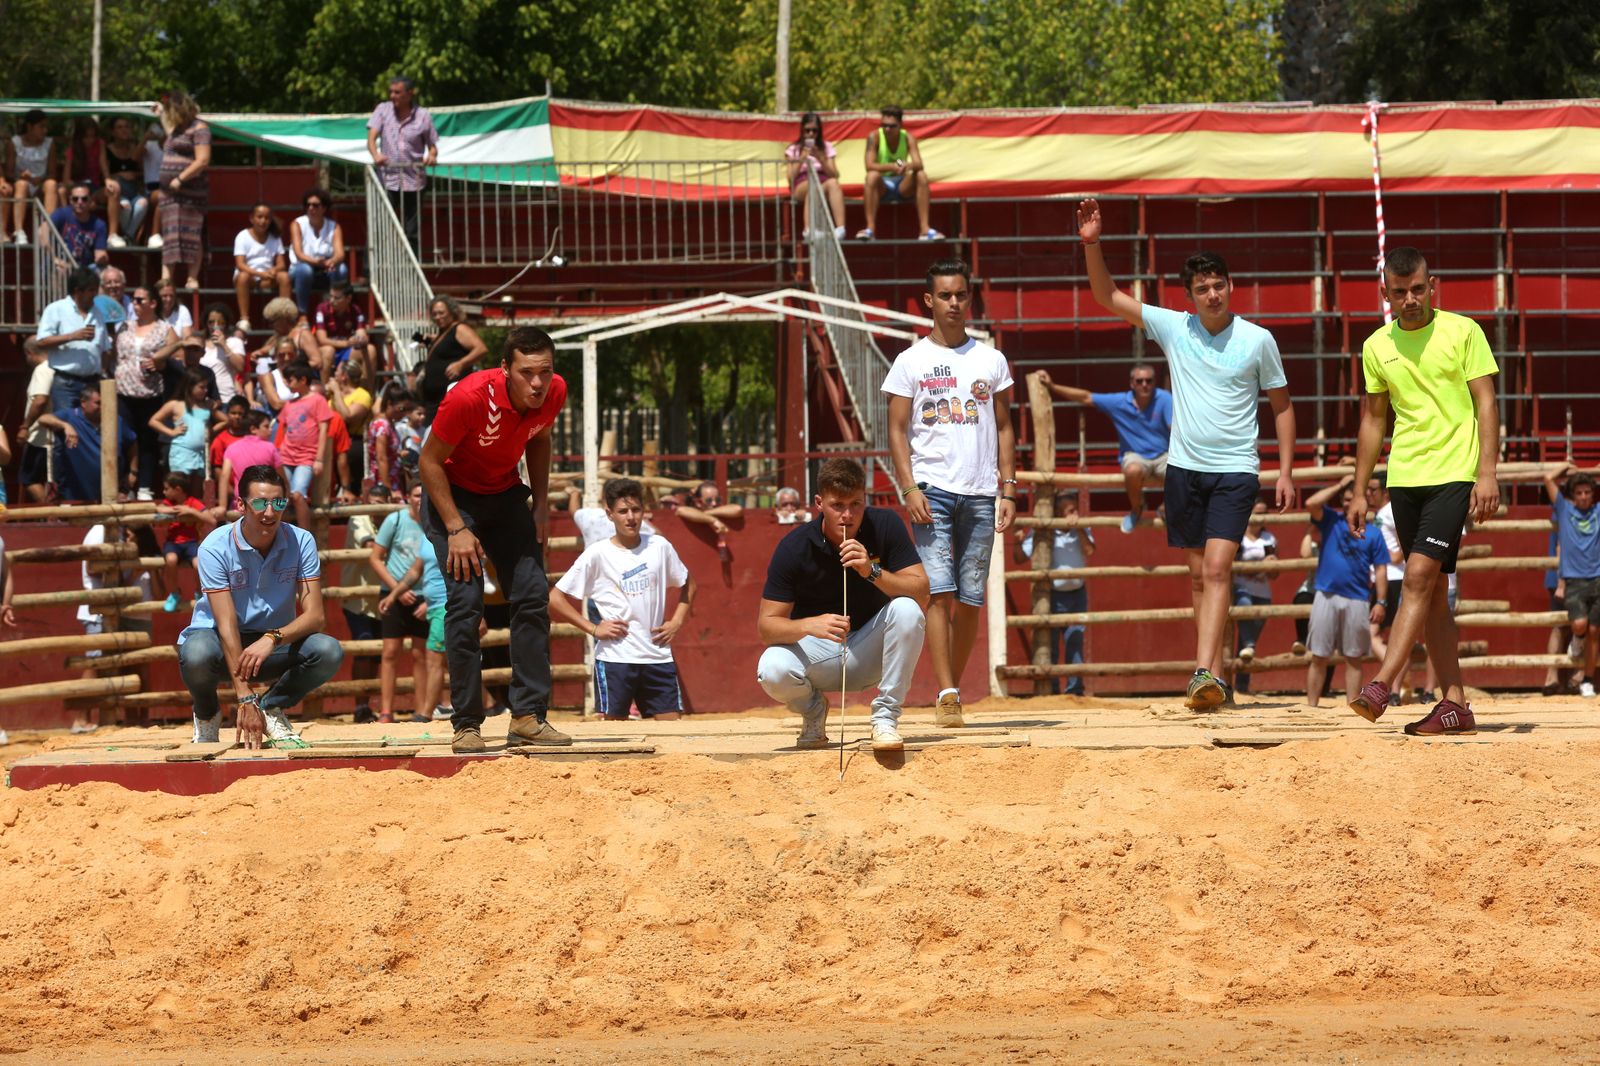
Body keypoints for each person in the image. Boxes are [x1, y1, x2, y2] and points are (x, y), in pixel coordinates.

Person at [1076, 197, 1296, 711]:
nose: (1213, 293)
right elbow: (1106, 294)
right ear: (1191, 296)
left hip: (1237, 469)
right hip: (1184, 469)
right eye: (1202, 288)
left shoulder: (1259, 340)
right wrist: (1092, 244)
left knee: (1219, 569)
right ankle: (1215, 680)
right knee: (1199, 577)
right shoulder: (1175, 327)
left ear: (1230, 286)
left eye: (1219, 284)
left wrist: (1284, 472)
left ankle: (1200, 672)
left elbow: (1283, 407)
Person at [1347, 247, 1500, 735]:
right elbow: (1373, 420)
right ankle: (1454, 705)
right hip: (1404, 475)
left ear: (1433, 285)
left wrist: (1488, 471)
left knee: (1415, 577)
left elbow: (1486, 402)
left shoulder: (1463, 330)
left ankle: (1383, 685)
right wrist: (1358, 489)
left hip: (1455, 472)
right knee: (1432, 592)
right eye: (1399, 292)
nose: (1410, 299)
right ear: (1384, 293)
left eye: (1418, 288)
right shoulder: (1376, 346)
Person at [418, 325, 571, 752]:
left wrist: (540, 504)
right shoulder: (468, 396)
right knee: (466, 605)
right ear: (505, 368)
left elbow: (540, 440)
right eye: (526, 372)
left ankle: (527, 716)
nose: (537, 382)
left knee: (532, 594)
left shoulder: (555, 391)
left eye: (545, 370)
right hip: (452, 495)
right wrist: (455, 527)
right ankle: (467, 723)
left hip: (504, 492)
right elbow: (428, 462)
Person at [883, 258, 1016, 727]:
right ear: (929, 301)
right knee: (939, 593)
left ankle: (951, 687)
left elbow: (1003, 426)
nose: (954, 303)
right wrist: (907, 486)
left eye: (961, 294)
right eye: (945, 295)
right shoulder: (910, 361)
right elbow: (896, 430)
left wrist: (1009, 488)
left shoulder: (990, 359)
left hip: (982, 491)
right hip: (932, 490)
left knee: (972, 598)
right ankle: (947, 690)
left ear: (969, 298)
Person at [757, 457, 929, 750]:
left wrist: (871, 571)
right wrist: (810, 625)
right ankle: (813, 710)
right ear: (819, 503)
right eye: (838, 505)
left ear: (865, 501)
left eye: (856, 505)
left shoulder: (885, 524)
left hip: (870, 651)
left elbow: (922, 592)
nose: (847, 515)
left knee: (907, 609)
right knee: (772, 668)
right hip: (819, 653)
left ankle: (885, 718)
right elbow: (766, 627)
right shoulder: (794, 546)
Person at [178, 465, 343, 748]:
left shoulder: (301, 540)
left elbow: (316, 616)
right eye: (259, 503)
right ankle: (207, 714)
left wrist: (271, 638)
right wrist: (244, 697)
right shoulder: (213, 547)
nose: (270, 512)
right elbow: (226, 622)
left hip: (271, 644)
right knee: (196, 653)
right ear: (240, 504)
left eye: (278, 502)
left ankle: (272, 707)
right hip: (220, 641)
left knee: (328, 650)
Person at [551, 478, 698, 721]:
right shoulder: (597, 553)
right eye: (622, 511)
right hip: (614, 658)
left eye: (636, 510)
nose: (630, 517)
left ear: (644, 511)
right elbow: (555, 598)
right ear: (609, 514)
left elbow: (689, 584)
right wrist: (594, 628)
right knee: (614, 734)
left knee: (673, 731)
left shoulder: (659, 546)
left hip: (657, 655)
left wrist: (677, 621)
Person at [1031, 364, 1174, 533]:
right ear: (1132, 384)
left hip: (1163, 455)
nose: (1144, 384)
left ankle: (1167, 508)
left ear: (1154, 382)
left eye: (1148, 381)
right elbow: (1086, 397)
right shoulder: (1120, 402)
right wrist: (1052, 386)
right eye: (1140, 381)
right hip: (1135, 456)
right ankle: (1137, 509)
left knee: (1184, 470)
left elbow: (1175, 429)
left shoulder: (1164, 398)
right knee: (1132, 470)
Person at [1302, 475, 1389, 708]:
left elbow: (1381, 570)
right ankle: (1311, 707)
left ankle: (1352, 706)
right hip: (1326, 594)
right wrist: (1340, 485)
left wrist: (1381, 601)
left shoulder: (1374, 533)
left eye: (1354, 498)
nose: (1350, 503)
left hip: (1358, 598)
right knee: (1319, 656)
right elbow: (1311, 503)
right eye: (1347, 499)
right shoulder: (1331, 520)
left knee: (1354, 658)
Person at [1015, 490, 1095, 696]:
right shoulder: (1042, 529)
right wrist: (1018, 539)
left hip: (1077, 593)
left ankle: (1075, 690)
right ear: (1058, 513)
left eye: (1075, 509)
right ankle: (1050, 690)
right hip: (1052, 594)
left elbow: (1089, 551)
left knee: (1074, 641)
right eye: (1070, 510)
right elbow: (1019, 557)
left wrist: (1078, 528)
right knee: (1049, 645)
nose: (1074, 513)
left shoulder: (1082, 527)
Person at [370, 483, 432, 723]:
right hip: (393, 593)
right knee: (390, 652)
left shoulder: (433, 522)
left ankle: (422, 710)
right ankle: (386, 711)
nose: (420, 499)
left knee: (421, 654)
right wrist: (397, 590)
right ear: (408, 497)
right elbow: (375, 558)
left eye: (424, 494)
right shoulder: (395, 520)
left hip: (424, 595)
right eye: (417, 495)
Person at [115, 284, 179, 500]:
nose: (135, 303)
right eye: (133, 299)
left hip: (149, 392)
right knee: (124, 439)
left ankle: (144, 486)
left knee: (147, 441)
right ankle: (125, 485)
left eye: (140, 300)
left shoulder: (164, 328)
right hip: (123, 390)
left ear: (153, 303)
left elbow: (176, 348)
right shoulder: (125, 326)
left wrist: (159, 360)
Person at [367, 75, 438, 255]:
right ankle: (373, 271)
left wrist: (431, 156)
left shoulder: (423, 116)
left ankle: (411, 269)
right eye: (391, 92)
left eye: (397, 92)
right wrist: (376, 154)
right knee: (380, 225)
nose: (393, 96)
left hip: (414, 180)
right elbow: (371, 138)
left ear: (409, 93)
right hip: (387, 178)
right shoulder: (383, 110)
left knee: (411, 230)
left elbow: (433, 146)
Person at [1545, 465, 1599, 699]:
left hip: (1598, 577)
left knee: (1595, 631)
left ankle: (1587, 680)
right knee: (1579, 625)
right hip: (1574, 578)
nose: (1584, 496)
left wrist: (1594, 470)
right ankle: (1577, 640)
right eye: (1579, 493)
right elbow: (1548, 477)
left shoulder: (1598, 510)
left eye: (1588, 492)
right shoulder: (1564, 509)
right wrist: (1568, 466)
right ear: (1572, 495)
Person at [37, 388, 134, 504]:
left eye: (106, 404)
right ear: (83, 402)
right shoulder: (70, 416)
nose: (103, 407)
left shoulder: (116, 420)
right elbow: (43, 419)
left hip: (111, 495)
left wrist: (133, 472)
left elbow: (132, 442)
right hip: (76, 496)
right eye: (98, 403)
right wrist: (65, 426)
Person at [857, 106, 940, 241]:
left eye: (891, 126)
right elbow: (869, 165)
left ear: (900, 125)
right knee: (871, 176)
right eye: (884, 125)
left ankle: (925, 229)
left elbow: (919, 163)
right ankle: (870, 229)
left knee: (921, 175)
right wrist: (892, 166)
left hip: (902, 186)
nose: (887, 129)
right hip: (881, 186)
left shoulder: (908, 137)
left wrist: (904, 166)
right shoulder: (874, 137)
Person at [157, 90, 212, 291]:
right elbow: (168, 130)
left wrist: (181, 178)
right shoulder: (176, 129)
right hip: (169, 194)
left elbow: (203, 160)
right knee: (170, 232)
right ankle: (166, 277)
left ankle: (192, 276)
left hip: (191, 191)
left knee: (192, 232)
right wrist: (161, 112)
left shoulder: (199, 128)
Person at [35, 268, 111, 412]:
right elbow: (42, 342)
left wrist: (103, 372)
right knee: (66, 427)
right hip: (66, 384)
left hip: (92, 383)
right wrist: (72, 336)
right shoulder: (56, 309)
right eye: (91, 290)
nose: (95, 294)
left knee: (90, 428)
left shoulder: (98, 313)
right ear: (78, 291)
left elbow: (106, 347)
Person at [342, 485, 386, 723]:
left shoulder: (391, 518)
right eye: (374, 502)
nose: (376, 507)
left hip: (381, 599)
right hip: (358, 599)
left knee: (376, 654)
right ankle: (360, 707)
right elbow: (370, 546)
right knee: (364, 649)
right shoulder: (359, 518)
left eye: (382, 502)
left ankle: (367, 706)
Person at [276, 362, 332, 530]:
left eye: (291, 380)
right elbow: (284, 431)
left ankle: (304, 536)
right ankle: (278, 533)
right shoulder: (289, 404)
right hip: (286, 456)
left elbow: (323, 430)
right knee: (280, 497)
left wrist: (319, 459)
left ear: (303, 380)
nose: (288, 384)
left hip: (306, 457)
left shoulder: (318, 400)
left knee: (298, 495)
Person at [1229, 502, 1277, 693]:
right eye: (1256, 513)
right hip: (1241, 587)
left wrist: (1271, 564)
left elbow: (1274, 573)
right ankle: (1238, 680)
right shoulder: (1238, 535)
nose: (1259, 517)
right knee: (1245, 610)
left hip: (1263, 591)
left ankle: (1241, 685)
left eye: (1263, 513)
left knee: (1246, 645)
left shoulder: (1269, 538)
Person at [417, 296, 486, 423]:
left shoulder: (459, 329)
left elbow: (481, 349)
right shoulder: (442, 333)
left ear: (451, 312)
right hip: (434, 402)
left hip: (450, 400)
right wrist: (428, 341)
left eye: (441, 313)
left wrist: (460, 364)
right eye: (434, 314)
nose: (438, 317)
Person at [149, 368, 214, 500]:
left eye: (206, 387)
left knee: (197, 491)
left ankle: (195, 518)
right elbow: (153, 421)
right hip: (182, 452)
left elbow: (224, 420)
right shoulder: (176, 404)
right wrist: (171, 432)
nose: (205, 390)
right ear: (190, 386)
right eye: (201, 387)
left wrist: (211, 430)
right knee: (179, 487)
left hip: (201, 454)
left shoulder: (206, 405)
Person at [155, 470, 214, 611]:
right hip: (173, 543)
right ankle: (175, 593)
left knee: (198, 564)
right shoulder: (168, 502)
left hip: (191, 542)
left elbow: (211, 519)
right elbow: (158, 509)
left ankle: (199, 592)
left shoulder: (193, 503)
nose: (163, 492)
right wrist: (176, 510)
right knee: (171, 560)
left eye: (166, 488)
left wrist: (190, 511)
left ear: (178, 489)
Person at [784, 112, 846, 240]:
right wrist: (801, 159)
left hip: (822, 180)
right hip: (802, 183)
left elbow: (835, 174)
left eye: (814, 131)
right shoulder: (793, 149)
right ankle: (809, 230)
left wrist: (821, 158)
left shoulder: (826, 147)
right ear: (802, 130)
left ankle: (840, 229)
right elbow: (790, 178)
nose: (811, 134)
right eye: (807, 130)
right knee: (813, 185)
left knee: (833, 183)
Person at [288, 186, 348, 315]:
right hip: (301, 268)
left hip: (325, 267)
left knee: (341, 269)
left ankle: (336, 309)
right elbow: (299, 254)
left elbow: (340, 254)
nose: (310, 208)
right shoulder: (297, 224)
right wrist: (316, 262)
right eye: (308, 205)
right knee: (305, 270)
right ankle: (302, 313)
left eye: (315, 205)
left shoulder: (334, 226)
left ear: (324, 208)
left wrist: (331, 261)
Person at [232, 203, 291, 332]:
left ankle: (283, 317)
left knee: (284, 277)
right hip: (249, 278)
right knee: (243, 276)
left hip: (267, 277)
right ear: (252, 218)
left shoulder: (275, 238)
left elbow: (281, 263)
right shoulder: (242, 236)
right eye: (259, 217)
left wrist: (273, 270)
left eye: (267, 218)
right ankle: (244, 319)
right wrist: (259, 274)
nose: (263, 221)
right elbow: (240, 264)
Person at [5, 108, 58, 244]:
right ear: (29, 127)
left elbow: (53, 173)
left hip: (41, 185)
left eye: (46, 127)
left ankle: (48, 229)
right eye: (41, 126)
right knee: (21, 185)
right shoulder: (14, 142)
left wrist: (41, 179)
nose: (45, 130)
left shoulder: (50, 143)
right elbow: (8, 172)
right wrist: (22, 176)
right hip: (22, 185)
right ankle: (19, 232)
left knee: (52, 184)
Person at [217, 411, 282, 512]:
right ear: (253, 429)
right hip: (267, 507)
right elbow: (282, 478)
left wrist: (222, 505)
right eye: (266, 426)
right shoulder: (270, 448)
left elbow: (224, 476)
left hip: (241, 506)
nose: (270, 430)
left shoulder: (232, 448)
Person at [104, 116, 152, 247]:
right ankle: (128, 238)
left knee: (143, 204)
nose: (124, 130)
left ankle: (127, 236)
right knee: (125, 205)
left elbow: (144, 171)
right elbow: (104, 175)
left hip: (135, 189)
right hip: (118, 192)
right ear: (113, 132)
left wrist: (134, 174)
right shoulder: (107, 150)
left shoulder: (137, 148)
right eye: (120, 127)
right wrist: (119, 175)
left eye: (127, 126)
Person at [314, 280, 375, 379]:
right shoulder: (322, 309)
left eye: (336, 298)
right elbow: (322, 340)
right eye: (331, 296)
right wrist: (346, 343)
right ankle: (324, 390)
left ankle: (367, 391)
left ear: (348, 298)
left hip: (347, 351)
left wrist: (360, 339)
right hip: (328, 349)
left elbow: (361, 333)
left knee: (370, 349)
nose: (332, 300)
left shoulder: (355, 310)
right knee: (328, 351)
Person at [48, 181, 109, 271]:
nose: (79, 202)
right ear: (70, 200)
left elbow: (100, 252)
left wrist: (102, 257)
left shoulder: (99, 224)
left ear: (91, 200)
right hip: (61, 264)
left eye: (84, 199)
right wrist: (54, 259)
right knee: (59, 271)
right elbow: (42, 233)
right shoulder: (60, 214)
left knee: (110, 273)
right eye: (75, 199)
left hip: (85, 269)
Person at [21, 354, 55, 503]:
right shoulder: (59, 367)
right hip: (54, 435)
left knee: (29, 477)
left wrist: (25, 426)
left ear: (29, 354)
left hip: (41, 437)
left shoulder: (42, 369)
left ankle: (51, 515)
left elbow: (40, 400)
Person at [365, 387, 408, 498]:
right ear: (389, 404)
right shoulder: (382, 425)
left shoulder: (390, 423)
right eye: (401, 409)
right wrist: (388, 490)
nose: (404, 413)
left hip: (393, 477)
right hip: (383, 481)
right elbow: (381, 457)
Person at [209, 395, 251, 472]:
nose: (236, 417)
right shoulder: (220, 440)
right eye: (233, 413)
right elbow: (217, 468)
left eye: (240, 414)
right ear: (227, 414)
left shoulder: (252, 438)